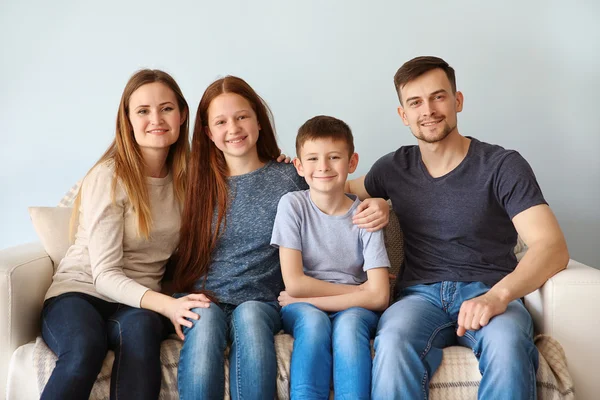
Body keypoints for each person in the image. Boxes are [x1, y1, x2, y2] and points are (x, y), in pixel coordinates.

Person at [346, 56, 570, 400]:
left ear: (457, 100)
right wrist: (372, 200)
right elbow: (334, 188)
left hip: (491, 289)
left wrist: (498, 296)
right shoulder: (393, 168)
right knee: (391, 342)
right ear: (403, 115)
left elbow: (551, 247)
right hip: (419, 297)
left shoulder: (501, 165)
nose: (428, 110)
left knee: (508, 344)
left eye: (438, 97)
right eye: (415, 102)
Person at [40, 69, 213, 400]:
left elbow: (241, 173)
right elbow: (104, 276)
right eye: (143, 111)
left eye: (166, 108)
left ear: (182, 116)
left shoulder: (189, 180)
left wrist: (287, 165)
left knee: (145, 331)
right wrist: (168, 305)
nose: (156, 119)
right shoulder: (109, 176)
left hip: (136, 303)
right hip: (80, 291)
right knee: (84, 347)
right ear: (128, 120)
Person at [271, 115, 391, 400]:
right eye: (312, 158)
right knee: (313, 325)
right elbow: (295, 284)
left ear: (352, 162)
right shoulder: (292, 206)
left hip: (354, 310)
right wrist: (359, 290)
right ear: (299, 166)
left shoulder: (365, 214)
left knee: (349, 330)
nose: (323, 167)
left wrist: (310, 299)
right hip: (311, 307)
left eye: (334, 157)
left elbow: (379, 298)